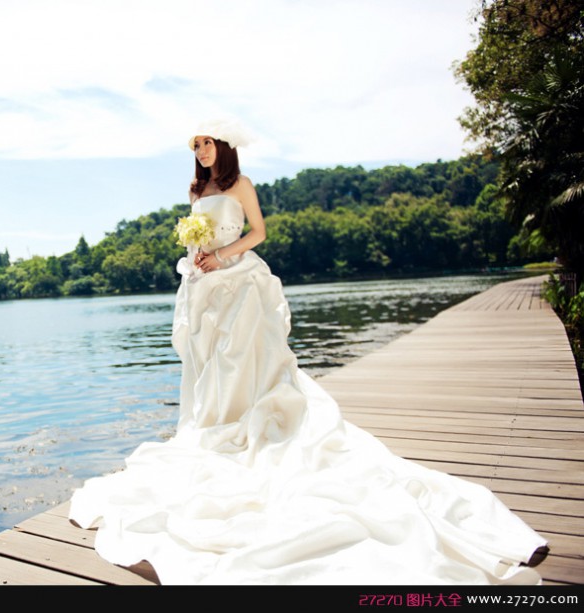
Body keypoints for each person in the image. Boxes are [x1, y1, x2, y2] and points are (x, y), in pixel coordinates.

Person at [67, 118, 549, 585]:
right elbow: (201, 232)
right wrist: (199, 256)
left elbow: (258, 234)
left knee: (245, 359)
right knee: (211, 366)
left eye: (207, 143)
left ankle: (252, 421)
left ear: (223, 145)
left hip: (240, 283)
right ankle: (218, 425)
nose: (201, 152)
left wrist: (224, 254)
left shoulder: (242, 185)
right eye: (194, 146)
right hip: (204, 285)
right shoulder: (196, 192)